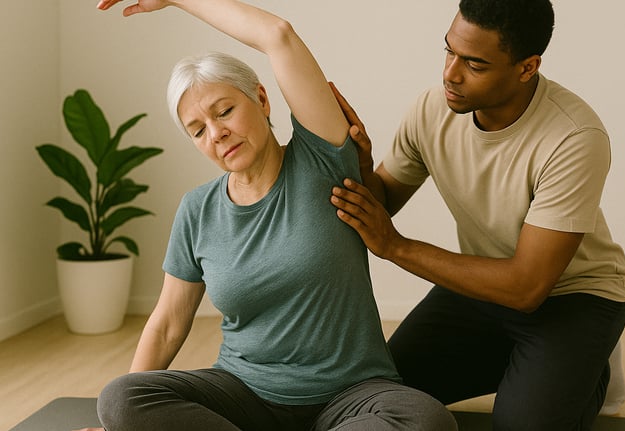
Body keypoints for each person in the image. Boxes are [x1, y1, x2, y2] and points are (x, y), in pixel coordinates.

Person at [86, 1, 458, 430]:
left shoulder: (323, 160)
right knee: (121, 397)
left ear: (262, 99)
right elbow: (169, 324)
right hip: (242, 395)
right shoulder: (197, 209)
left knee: (427, 419)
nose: (217, 132)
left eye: (224, 111)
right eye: (198, 129)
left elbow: (278, 34)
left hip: (352, 394)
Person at [329, 0, 625, 429]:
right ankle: (531, 366)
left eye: (474, 64)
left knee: (521, 424)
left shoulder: (575, 137)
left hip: (572, 299)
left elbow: (528, 287)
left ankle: (589, 369)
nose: (450, 73)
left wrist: (395, 247)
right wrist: (359, 162)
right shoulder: (431, 109)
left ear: (527, 67)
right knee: (382, 392)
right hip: (484, 286)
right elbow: (384, 202)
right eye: (449, 51)